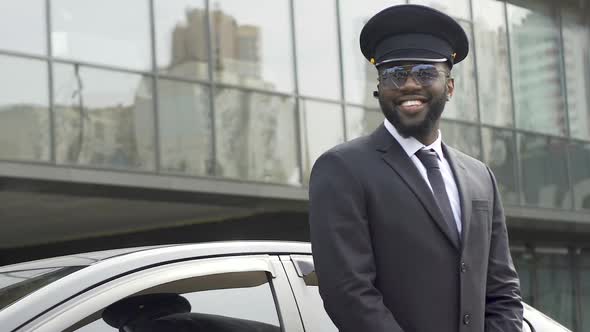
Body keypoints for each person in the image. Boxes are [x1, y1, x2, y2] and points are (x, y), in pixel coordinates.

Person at [308, 4, 523, 332]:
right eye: (395, 74)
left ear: (449, 87)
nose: (409, 85)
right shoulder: (342, 170)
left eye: (425, 72)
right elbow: (348, 292)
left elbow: (503, 290)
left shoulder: (481, 177)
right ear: (379, 88)